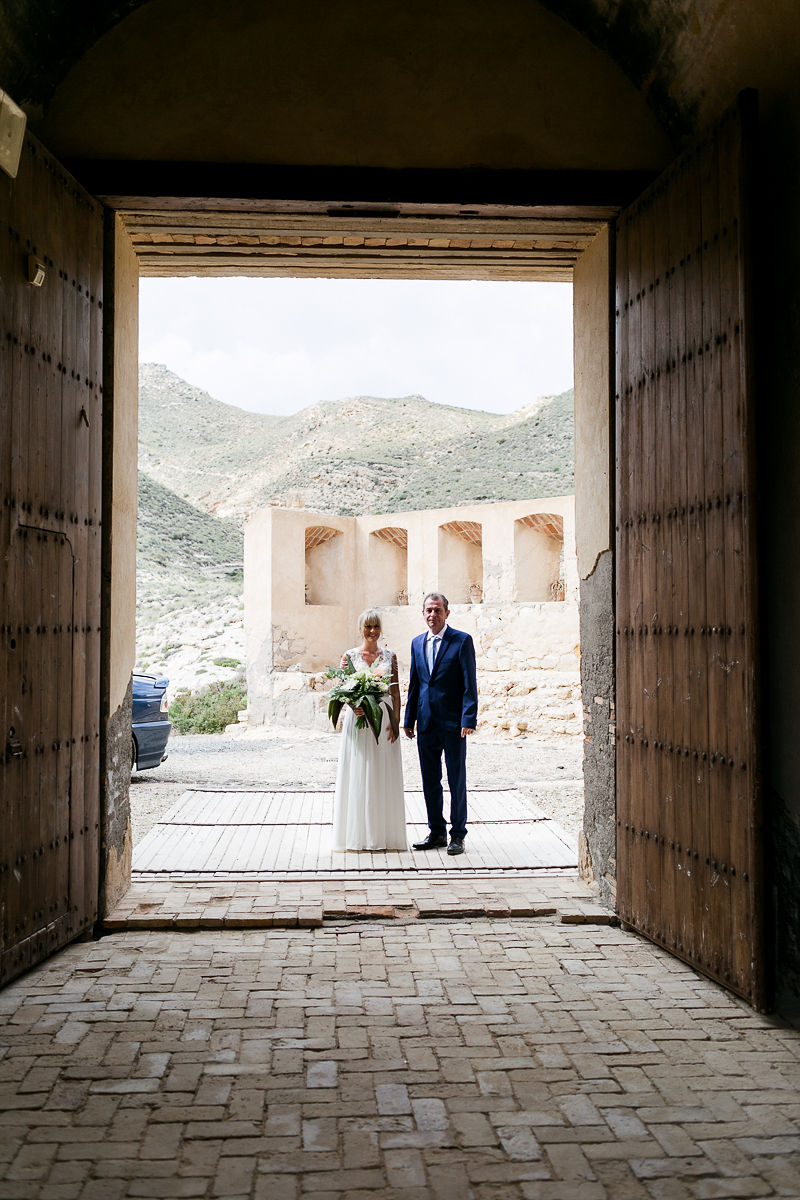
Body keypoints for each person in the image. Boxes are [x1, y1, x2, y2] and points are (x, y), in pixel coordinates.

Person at [404, 592, 478, 856]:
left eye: (437, 610)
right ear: (423, 614)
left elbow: (470, 684)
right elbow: (415, 683)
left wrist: (468, 718)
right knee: (430, 780)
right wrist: (409, 718)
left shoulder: (461, 641)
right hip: (425, 722)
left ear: (447, 613)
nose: (432, 615)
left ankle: (457, 834)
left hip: (453, 723)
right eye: (428, 611)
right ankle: (436, 832)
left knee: (456, 780)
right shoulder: (416, 643)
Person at [332, 608, 407, 851]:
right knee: (358, 772)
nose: (372, 631)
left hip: (384, 719)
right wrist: (353, 706)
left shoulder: (390, 656)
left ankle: (383, 835)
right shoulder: (349, 656)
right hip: (359, 721)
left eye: (376, 627)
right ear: (361, 629)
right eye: (368, 627)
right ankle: (356, 836)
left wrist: (395, 722)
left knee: (381, 772)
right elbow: (342, 690)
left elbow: (395, 691)